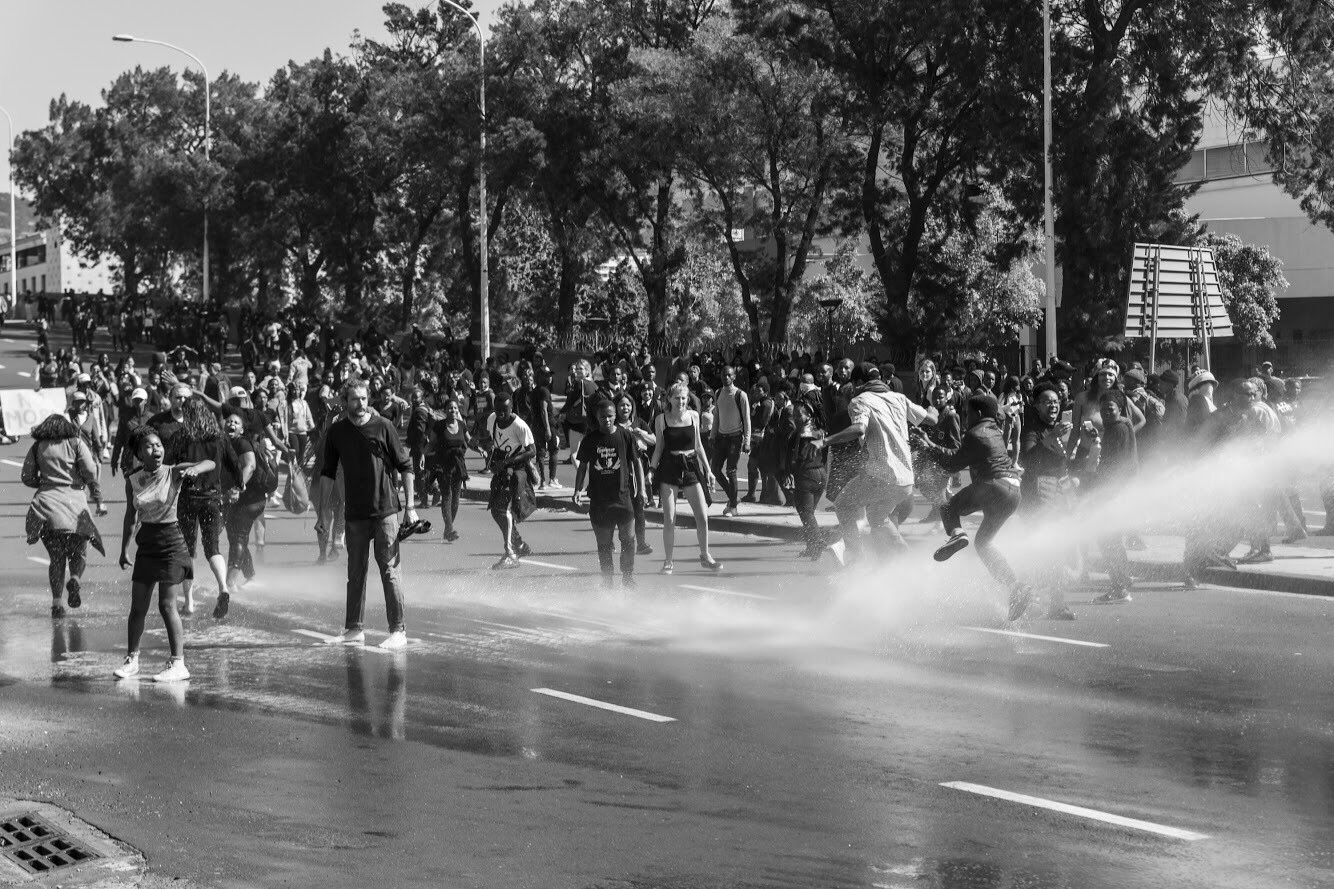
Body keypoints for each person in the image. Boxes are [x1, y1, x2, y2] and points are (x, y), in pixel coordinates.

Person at [318, 381, 418, 649]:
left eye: (363, 399)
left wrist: (409, 507)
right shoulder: (337, 432)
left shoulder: (384, 426)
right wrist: (322, 514)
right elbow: (327, 473)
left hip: (385, 511)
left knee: (390, 571)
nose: (360, 404)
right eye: (354, 399)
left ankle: (398, 630)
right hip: (355, 515)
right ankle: (353, 629)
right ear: (344, 401)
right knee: (356, 572)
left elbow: (406, 466)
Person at [917, 394, 1032, 621]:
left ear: (978, 414)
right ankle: (1015, 587)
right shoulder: (995, 429)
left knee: (948, 508)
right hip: (1013, 491)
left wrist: (928, 445)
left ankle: (958, 534)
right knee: (983, 543)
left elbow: (951, 462)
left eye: (967, 413)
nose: (965, 417)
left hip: (994, 486)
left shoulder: (975, 433)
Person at [113, 428, 216, 682]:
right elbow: (131, 515)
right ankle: (132, 659)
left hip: (171, 543)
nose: (156, 449)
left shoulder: (173, 471)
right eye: (149, 446)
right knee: (137, 607)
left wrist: (196, 469)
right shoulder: (133, 479)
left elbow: (210, 461)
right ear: (138, 453)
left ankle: (178, 663)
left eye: (158, 444)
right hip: (147, 544)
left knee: (166, 604)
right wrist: (124, 549)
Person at [823, 364, 934, 564]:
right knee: (876, 517)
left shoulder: (860, 400)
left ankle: (854, 558)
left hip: (881, 475)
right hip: (905, 481)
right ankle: (909, 562)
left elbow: (858, 428)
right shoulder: (899, 398)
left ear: (857, 383)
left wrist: (824, 441)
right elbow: (932, 419)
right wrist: (933, 408)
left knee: (844, 505)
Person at [23, 412, 106, 617]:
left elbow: (26, 476)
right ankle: (76, 578)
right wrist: (81, 483)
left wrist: (44, 483)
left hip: (46, 508)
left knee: (56, 558)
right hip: (75, 507)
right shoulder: (76, 443)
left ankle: (56, 604)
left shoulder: (37, 447)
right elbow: (90, 470)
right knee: (79, 552)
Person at [648, 381, 723, 575]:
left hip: (690, 466)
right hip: (669, 467)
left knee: (703, 516)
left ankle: (705, 555)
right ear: (669, 399)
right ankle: (668, 561)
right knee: (670, 518)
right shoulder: (661, 419)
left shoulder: (694, 416)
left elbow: (698, 446)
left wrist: (709, 470)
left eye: (684, 398)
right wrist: (651, 469)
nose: (681, 401)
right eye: (677, 398)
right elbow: (659, 448)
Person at [171, 397, 234, 617]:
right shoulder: (219, 437)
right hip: (212, 498)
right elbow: (232, 465)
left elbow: (170, 464)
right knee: (213, 548)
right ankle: (223, 588)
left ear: (186, 414)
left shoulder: (181, 436)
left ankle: (188, 603)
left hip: (189, 497)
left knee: (187, 549)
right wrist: (238, 485)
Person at [573, 400, 647, 588]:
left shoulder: (626, 436)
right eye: (603, 416)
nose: (607, 419)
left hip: (623, 498)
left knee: (628, 540)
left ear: (616, 416)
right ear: (597, 418)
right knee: (604, 545)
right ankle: (607, 580)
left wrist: (643, 490)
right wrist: (577, 490)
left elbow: (636, 463)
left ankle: (627, 576)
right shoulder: (590, 439)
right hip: (599, 501)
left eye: (610, 416)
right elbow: (582, 467)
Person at [487, 392, 538, 569]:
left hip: (516, 472)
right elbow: (492, 441)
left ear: (511, 409)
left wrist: (508, 461)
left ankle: (511, 553)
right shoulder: (492, 419)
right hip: (501, 472)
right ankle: (520, 544)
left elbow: (532, 451)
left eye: (505, 410)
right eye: (498, 410)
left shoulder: (519, 426)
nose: (501, 414)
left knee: (503, 509)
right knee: (496, 510)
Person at [428, 398, 473, 542]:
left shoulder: (461, 424)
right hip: (443, 466)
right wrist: (424, 457)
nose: (453, 410)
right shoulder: (439, 426)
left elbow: (469, 440)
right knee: (447, 496)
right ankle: (450, 529)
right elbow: (431, 443)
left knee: (456, 500)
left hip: (458, 466)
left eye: (455, 408)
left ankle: (448, 529)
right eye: (450, 408)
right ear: (445, 410)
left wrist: (480, 448)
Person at [710, 365, 751, 517]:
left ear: (734, 377)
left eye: (729, 375)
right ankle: (734, 498)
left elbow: (747, 419)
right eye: (723, 375)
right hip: (721, 437)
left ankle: (733, 506)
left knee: (731, 470)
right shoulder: (718, 392)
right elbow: (717, 417)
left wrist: (747, 440)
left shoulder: (741, 395)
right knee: (715, 469)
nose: (726, 377)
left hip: (735, 437)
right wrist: (713, 436)